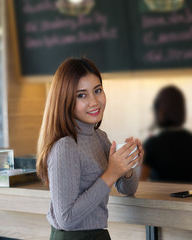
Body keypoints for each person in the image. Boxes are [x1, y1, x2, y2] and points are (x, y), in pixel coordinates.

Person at [36, 57, 144, 240]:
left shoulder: (100, 138)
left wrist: (127, 165)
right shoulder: (66, 146)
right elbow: (66, 219)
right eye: (81, 95)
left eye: (97, 90)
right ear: (65, 100)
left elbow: (128, 189)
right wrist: (111, 173)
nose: (94, 102)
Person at [140, 85, 192, 184]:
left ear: (161, 112)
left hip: (159, 199)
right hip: (187, 198)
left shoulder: (152, 144)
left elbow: (142, 181)